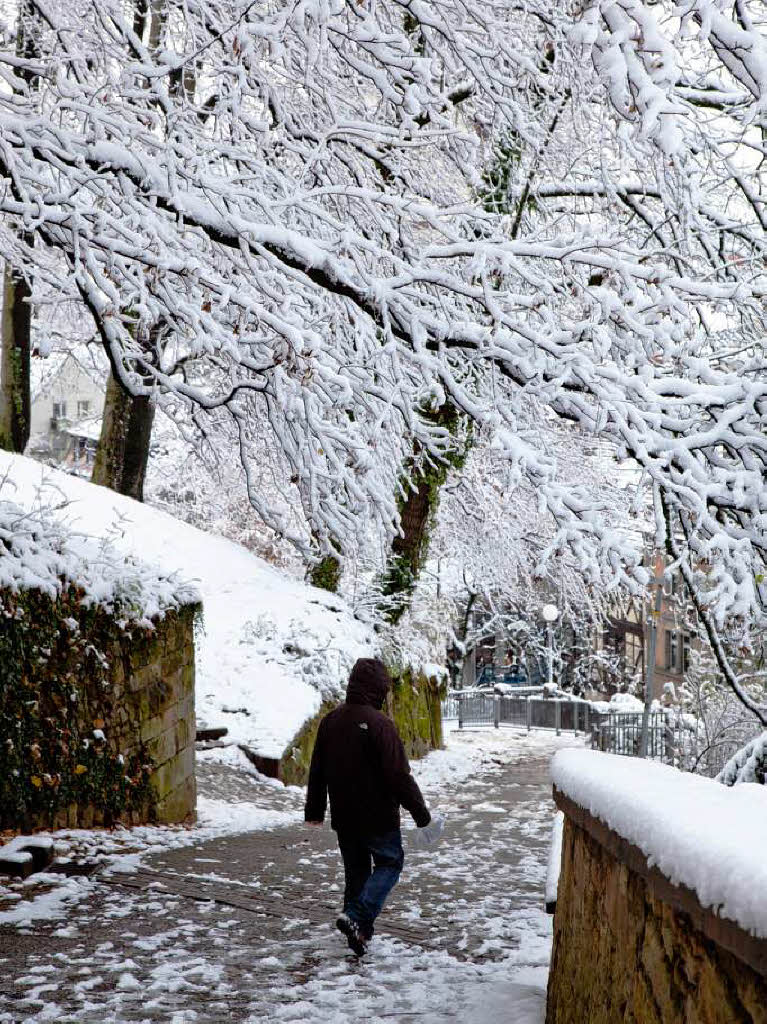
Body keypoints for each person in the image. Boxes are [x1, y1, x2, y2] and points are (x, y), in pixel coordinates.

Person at [304, 657, 432, 956]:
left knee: (357, 872)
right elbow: (398, 776)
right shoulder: (380, 725)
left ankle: (358, 933)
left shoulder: (330, 721)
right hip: (378, 816)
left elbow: (317, 770)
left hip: (345, 817)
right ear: (377, 690)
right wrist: (421, 814)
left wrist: (314, 810)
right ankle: (358, 918)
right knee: (390, 863)